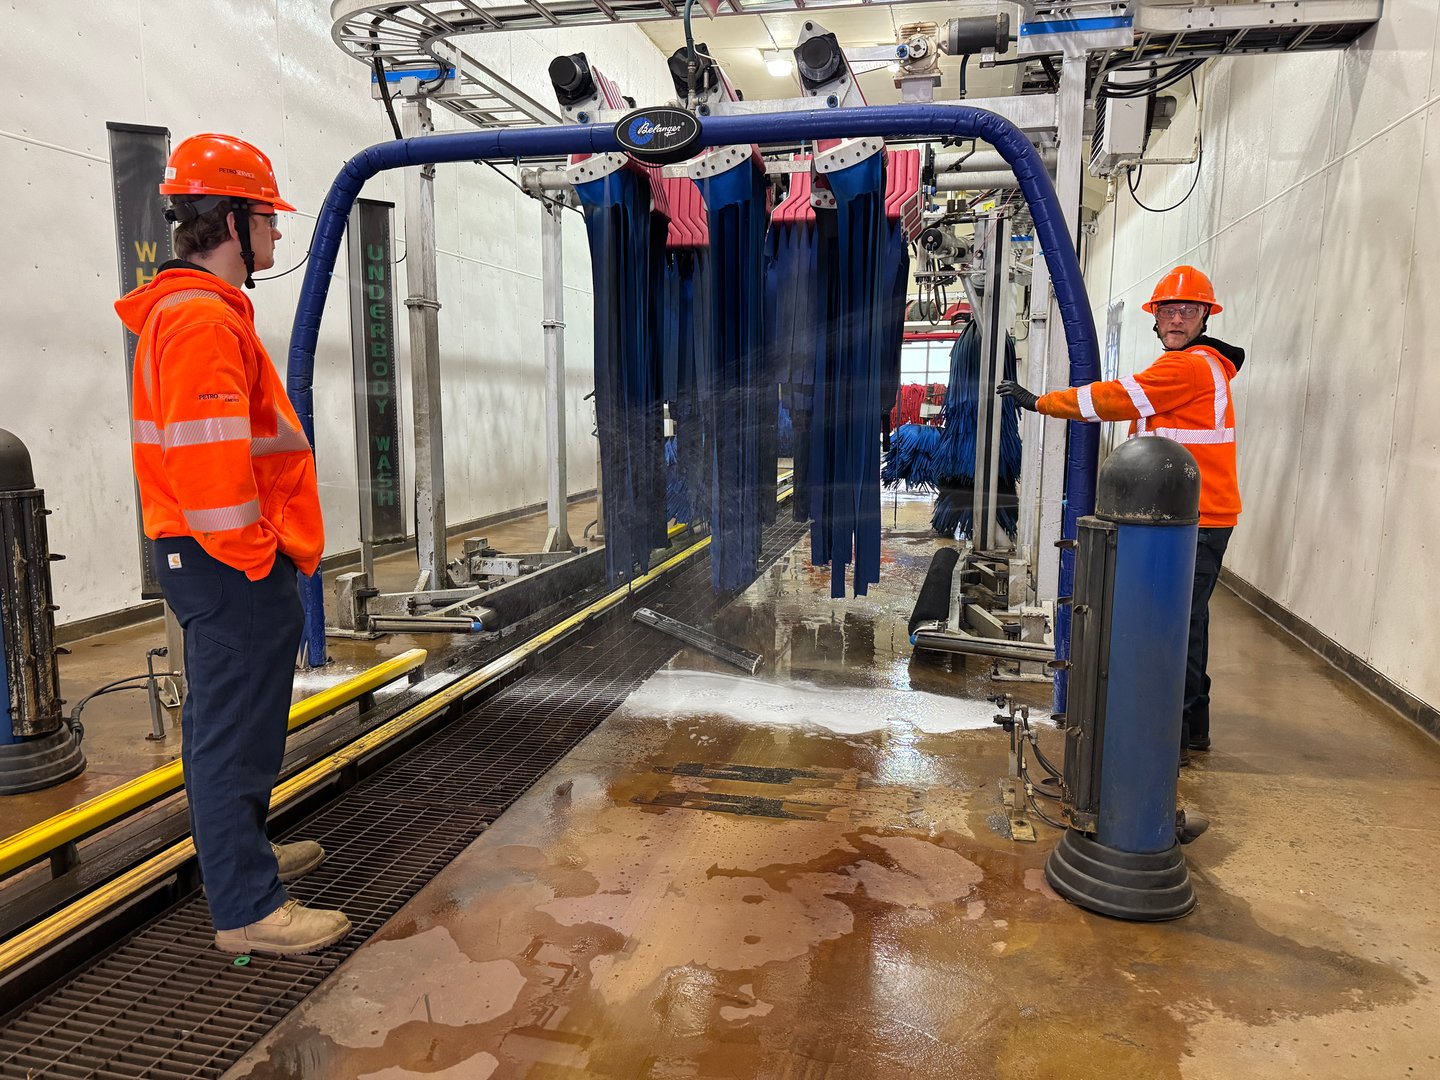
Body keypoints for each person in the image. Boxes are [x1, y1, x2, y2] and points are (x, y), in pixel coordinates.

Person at [116, 133, 350, 954]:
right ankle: (247, 906)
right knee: (231, 731)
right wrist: (255, 555)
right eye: (268, 219)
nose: (278, 236)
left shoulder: (193, 314)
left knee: (245, 726)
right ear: (231, 221)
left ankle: (240, 856)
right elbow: (210, 462)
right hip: (226, 560)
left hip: (221, 557)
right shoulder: (200, 322)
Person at [998, 266, 1243, 765]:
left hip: (1191, 520)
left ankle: (1164, 740)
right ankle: (1192, 726)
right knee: (1188, 623)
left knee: (1169, 625)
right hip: (1196, 515)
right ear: (1155, 319)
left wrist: (1041, 402)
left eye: (1187, 311)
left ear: (1204, 317)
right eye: (1168, 311)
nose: (1176, 319)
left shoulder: (1189, 367)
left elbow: (1112, 398)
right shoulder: (1200, 364)